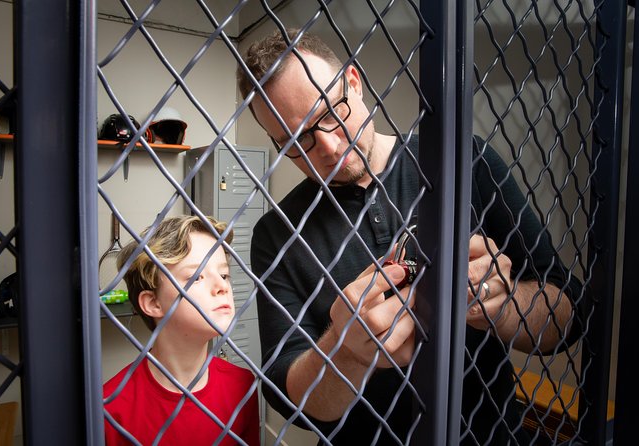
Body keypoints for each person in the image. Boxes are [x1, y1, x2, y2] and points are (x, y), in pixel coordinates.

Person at [238, 29, 583, 444]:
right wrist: (345, 354)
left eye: (330, 113)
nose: (327, 147)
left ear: (353, 82)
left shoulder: (464, 161)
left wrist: (503, 307)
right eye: (296, 140)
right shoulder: (277, 233)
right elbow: (287, 394)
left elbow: (568, 315)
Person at [103, 215, 260, 445]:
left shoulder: (242, 386)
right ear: (153, 303)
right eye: (196, 277)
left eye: (224, 274)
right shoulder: (110, 408)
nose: (222, 286)